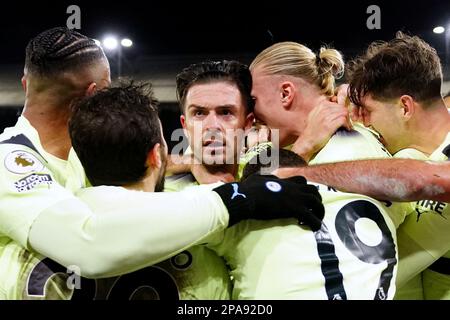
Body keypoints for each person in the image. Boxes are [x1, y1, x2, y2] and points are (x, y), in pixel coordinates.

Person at [0, 27, 325, 283]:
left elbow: (135, 169)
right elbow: (88, 246)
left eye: (226, 112)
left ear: (26, 82)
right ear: (93, 96)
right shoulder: (10, 163)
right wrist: (235, 197)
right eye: (199, 113)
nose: (212, 126)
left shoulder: (79, 160)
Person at [276, 32, 450, 299]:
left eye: (367, 112)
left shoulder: (437, 170)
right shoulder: (410, 154)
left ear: (405, 107)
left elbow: (372, 272)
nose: (364, 123)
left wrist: (302, 167)